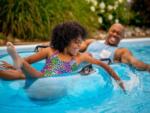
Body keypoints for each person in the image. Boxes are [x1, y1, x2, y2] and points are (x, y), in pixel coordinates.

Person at [0, 22, 125, 91]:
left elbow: (105, 66)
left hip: (55, 83)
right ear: (65, 41)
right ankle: (17, 62)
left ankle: (18, 62)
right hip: (42, 77)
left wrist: (119, 81)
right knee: (20, 75)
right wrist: (13, 65)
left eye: (80, 42)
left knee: (33, 75)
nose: (79, 45)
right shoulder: (50, 51)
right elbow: (30, 59)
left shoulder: (81, 57)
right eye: (76, 42)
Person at [80, 23, 150, 72]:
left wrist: (147, 67)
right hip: (76, 66)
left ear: (122, 37)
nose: (115, 34)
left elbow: (134, 62)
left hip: (92, 72)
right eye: (113, 31)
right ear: (108, 31)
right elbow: (74, 47)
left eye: (118, 33)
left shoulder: (120, 51)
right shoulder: (91, 42)